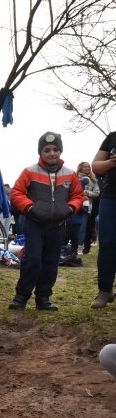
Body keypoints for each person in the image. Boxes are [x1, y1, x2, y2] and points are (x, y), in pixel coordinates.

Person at [8, 132, 84, 311]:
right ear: (40, 152)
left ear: (61, 151)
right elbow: (17, 192)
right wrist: (30, 208)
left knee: (51, 262)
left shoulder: (71, 174)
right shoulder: (30, 171)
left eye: (56, 149)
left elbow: (78, 195)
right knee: (32, 260)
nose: (52, 153)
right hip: (35, 224)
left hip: (58, 225)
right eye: (47, 150)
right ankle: (21, 296)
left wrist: (70, 208)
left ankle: (43, 298)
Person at [90, 132, 116, 308]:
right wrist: (111, 162)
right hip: (111, 198)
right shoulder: (113, 137)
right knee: (107, 244)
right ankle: (104, 291)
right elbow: (96, 167)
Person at [78, 161, 100, 254]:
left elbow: (97, 193)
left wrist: (87, 193)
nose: (88, 168)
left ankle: (82, 247)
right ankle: (69, 246)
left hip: (87, 206)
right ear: (80, 168)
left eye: (89, 167)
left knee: (84, 228)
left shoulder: (93, 180)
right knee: (73, 227)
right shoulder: (75, 178)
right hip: (75, 205)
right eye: (85, 167)